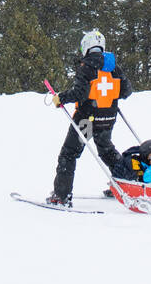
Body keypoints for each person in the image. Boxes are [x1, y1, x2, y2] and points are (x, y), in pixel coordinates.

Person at [46, 30, 134, 206]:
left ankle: (61, 196)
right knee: (107, 150)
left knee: (69, 154)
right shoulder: (114, 67)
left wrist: (61, 98)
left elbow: (80, 93)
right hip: (108, 118)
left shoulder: (87, 66)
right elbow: (126, 91)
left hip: (87, 120)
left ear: (86, 46)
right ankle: (127, 185)